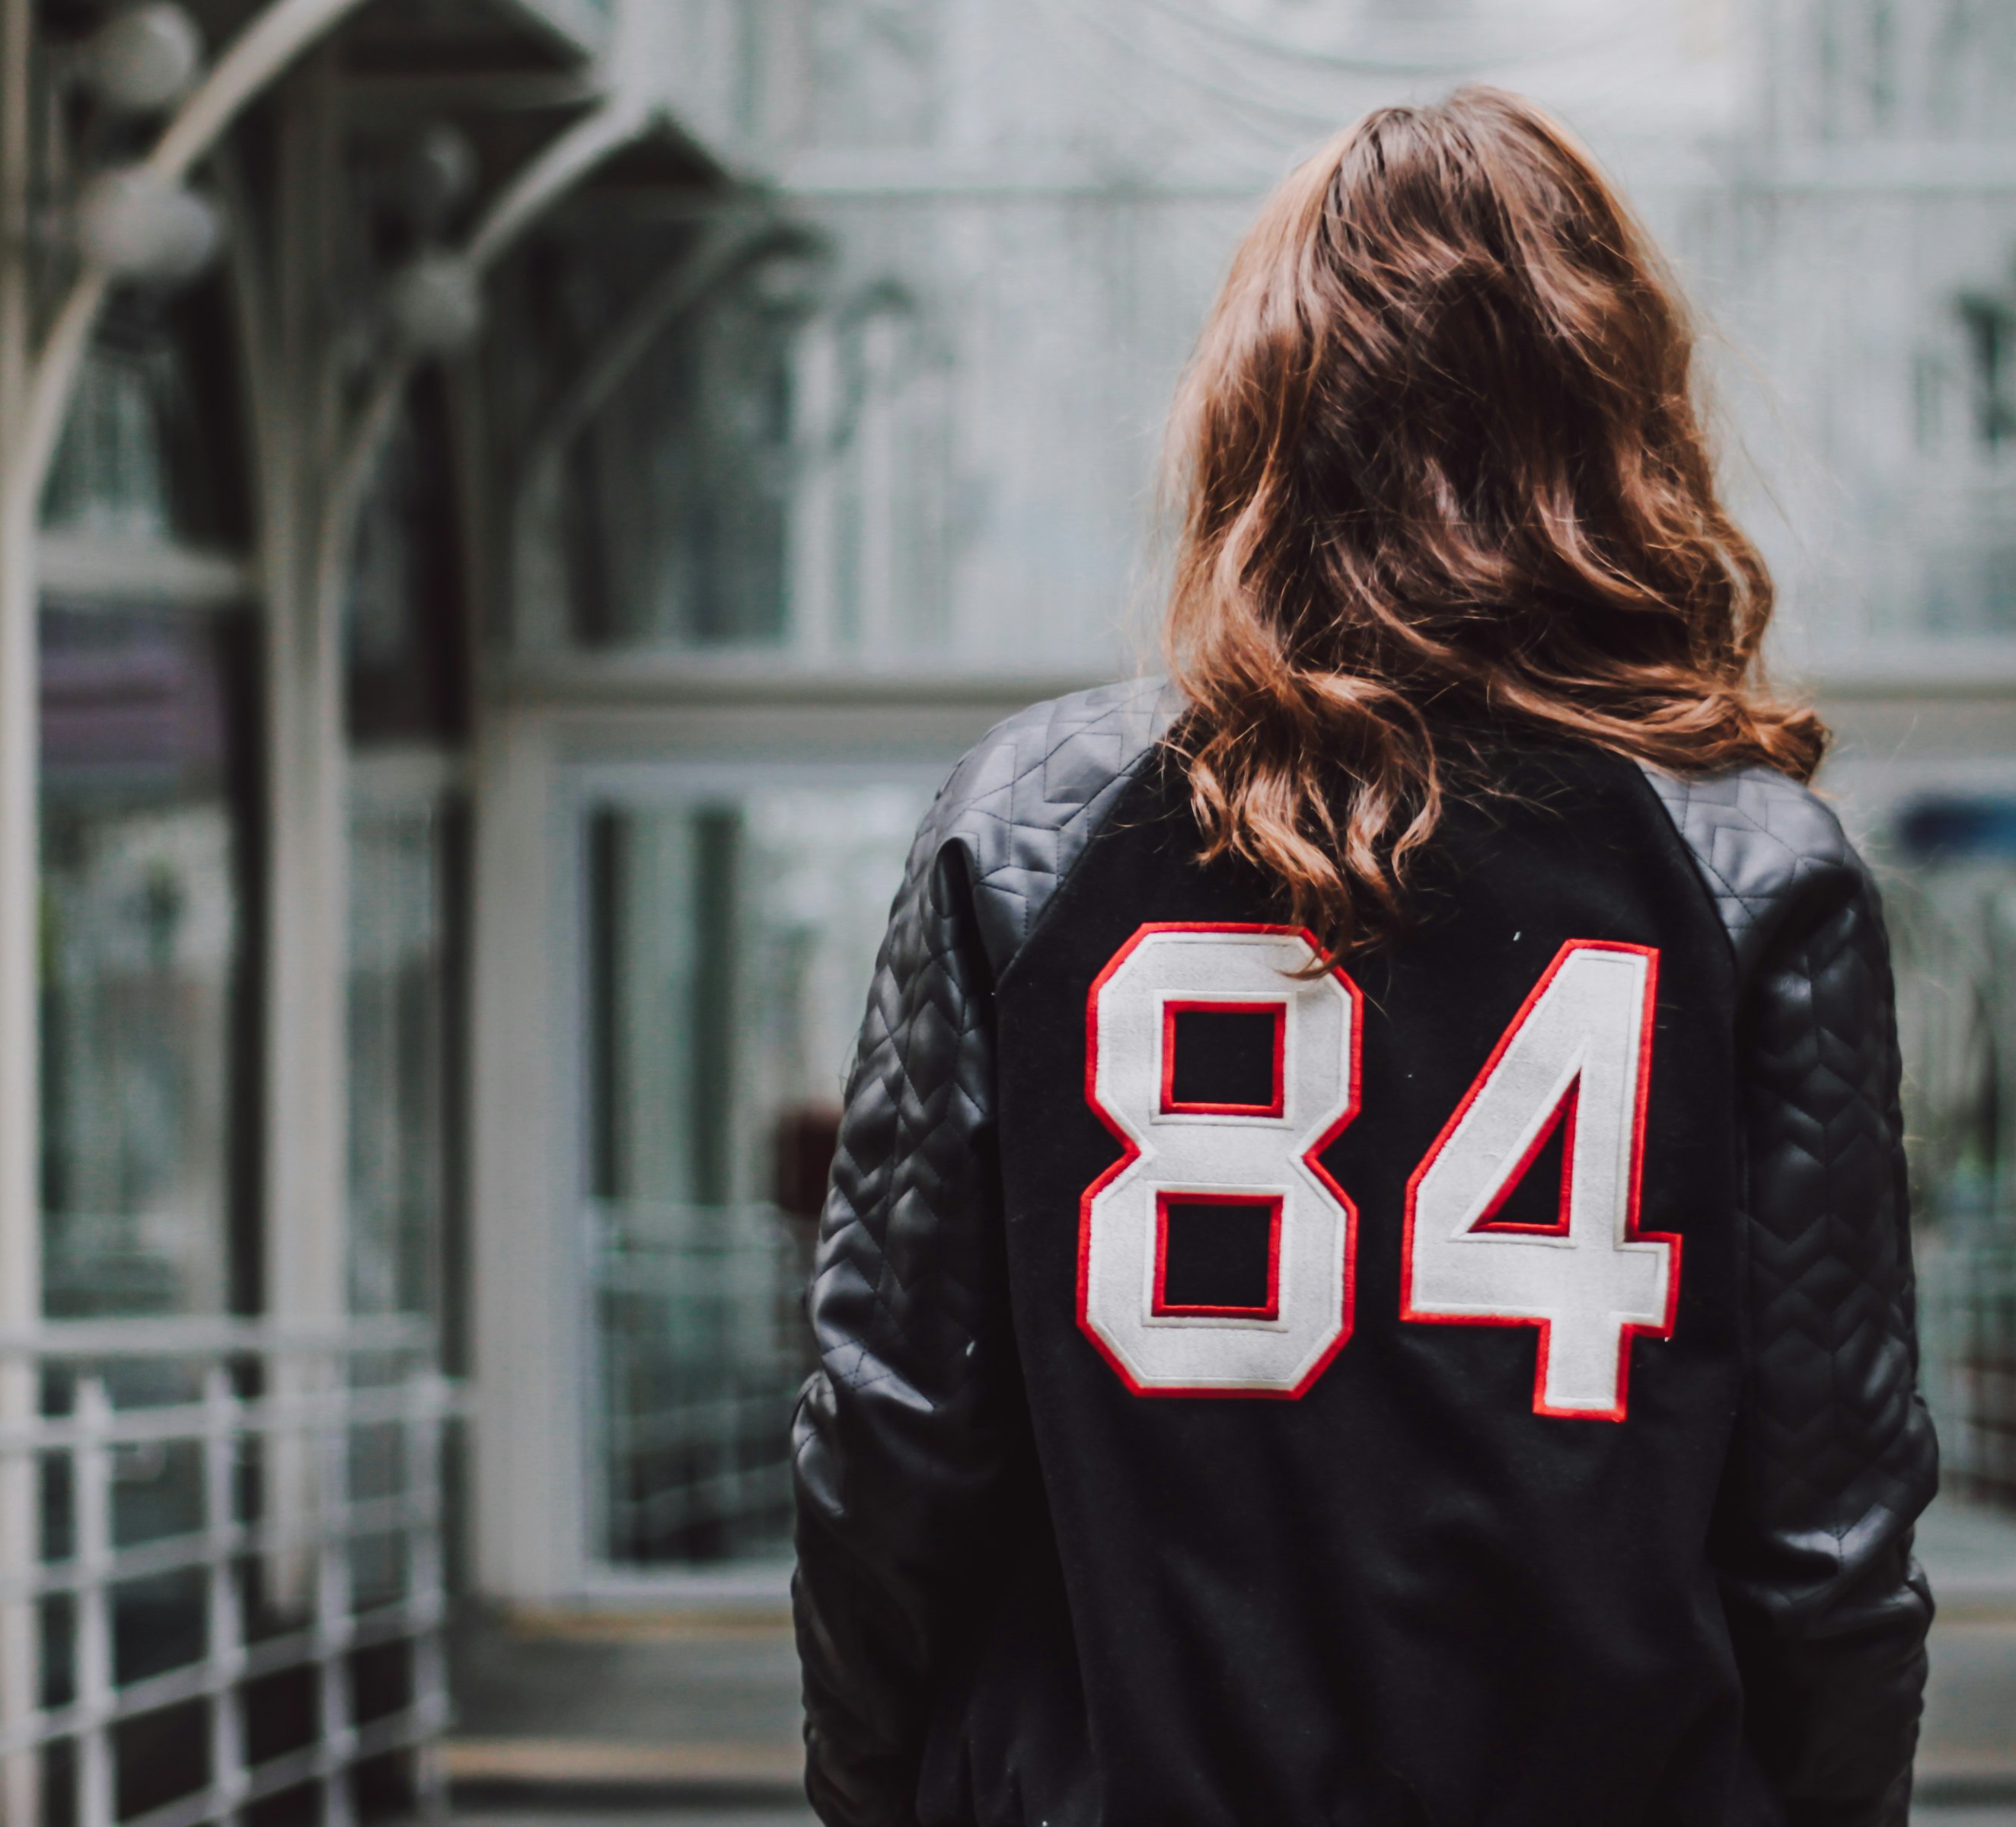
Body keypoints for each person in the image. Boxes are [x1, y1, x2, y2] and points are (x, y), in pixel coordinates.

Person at [789, 85, 1935, 1827]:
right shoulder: (1748, 868)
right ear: (1617, 418)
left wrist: (875, 1795)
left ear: (1254, 419)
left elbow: (890, 1439)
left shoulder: (1023, 828)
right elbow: (1823, 1535)